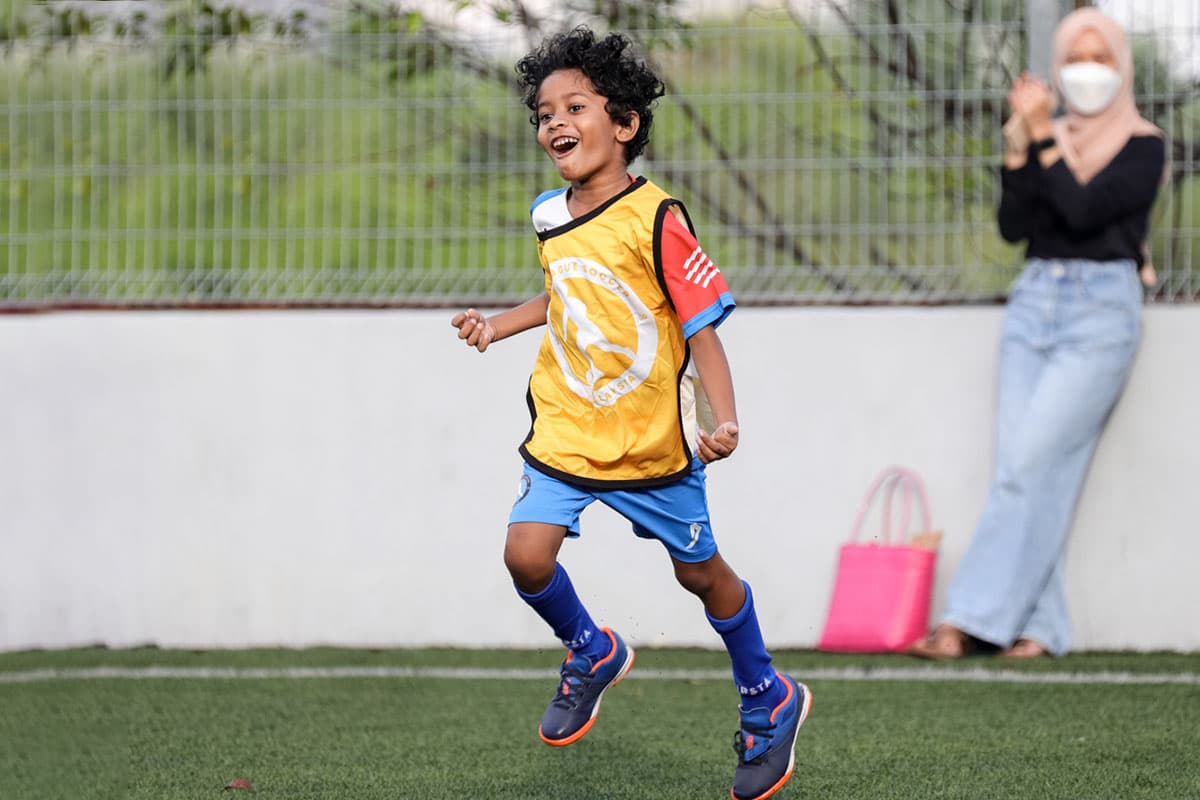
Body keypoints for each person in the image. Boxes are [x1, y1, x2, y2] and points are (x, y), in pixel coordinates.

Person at [450, 27, 811, 800]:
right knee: (526, 555)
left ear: (624, 123)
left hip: (652, 443)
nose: (554, 123)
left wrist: (725, 419)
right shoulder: (550, 214)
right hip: (570, 428)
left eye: (573, 105)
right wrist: (499, 323)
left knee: (702, 577)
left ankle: (767, 694)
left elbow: (701, 330)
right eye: (543, 112)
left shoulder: (659, 221)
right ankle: (590, 649)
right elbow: (566, 294)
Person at [909, 8, 1165, 660]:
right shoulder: (1045, 137)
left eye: (1100, 57)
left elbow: (1082, 211)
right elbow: (1015, 225)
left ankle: (966, 621)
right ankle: (1042, 627)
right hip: (1033, 306)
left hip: (1101, 314)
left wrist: (1045, 138)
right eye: (1074, 56)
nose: (1088, 71)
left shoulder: (1143, 145)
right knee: (1028, 469)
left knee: (1027, 467)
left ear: (1122, 66)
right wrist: (1020, 146)